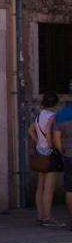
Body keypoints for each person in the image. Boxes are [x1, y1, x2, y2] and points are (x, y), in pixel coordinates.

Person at [29, 93, 61, 226]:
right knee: (49, 187)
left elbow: (30, 130)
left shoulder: (39, 115)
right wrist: (51, 145)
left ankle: (40, 215)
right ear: (55, 105)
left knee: (40, 186)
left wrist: (38, 143)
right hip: (49, 154)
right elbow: (49, 132)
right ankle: (48, 217)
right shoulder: (52, 116)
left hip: (39, 153)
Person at [53, 99, 72, 232]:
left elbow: (57, 139)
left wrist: (62, 151)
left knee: (70, 189)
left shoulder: (60, 115)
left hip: (69, 156)